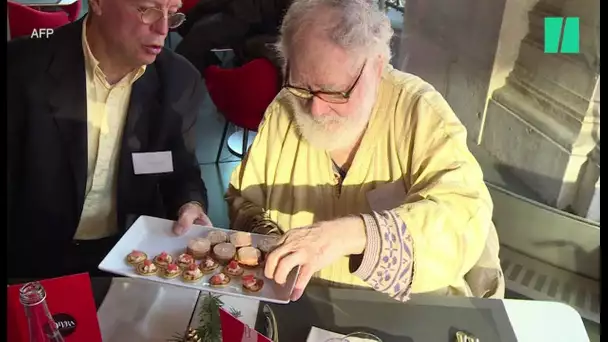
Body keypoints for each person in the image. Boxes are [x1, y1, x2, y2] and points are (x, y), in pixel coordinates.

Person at [224, 0, 505, 301]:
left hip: (407, 307)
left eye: (335, 92)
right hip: (302, 302)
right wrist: (270, 240)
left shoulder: (419, 111)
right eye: (303, 87)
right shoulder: (285, 109)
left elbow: (463, 220)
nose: (316, 110)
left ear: (378, 66)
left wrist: (351, 235)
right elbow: (244, 199)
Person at [7, 0, 211, 278]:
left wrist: (190, 204)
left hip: (130, 253)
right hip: (33, 257)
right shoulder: (21, 69)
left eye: (172, 14)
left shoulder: (179, 81)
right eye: (147, 9)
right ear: (99, 3)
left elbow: (180, 169)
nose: (163, 28)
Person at [173, 0, 292, 74]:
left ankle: (176, 83)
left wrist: (250, 44)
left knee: (199, 35)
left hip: (258, 24)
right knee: (195, 20)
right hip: (241, 10)